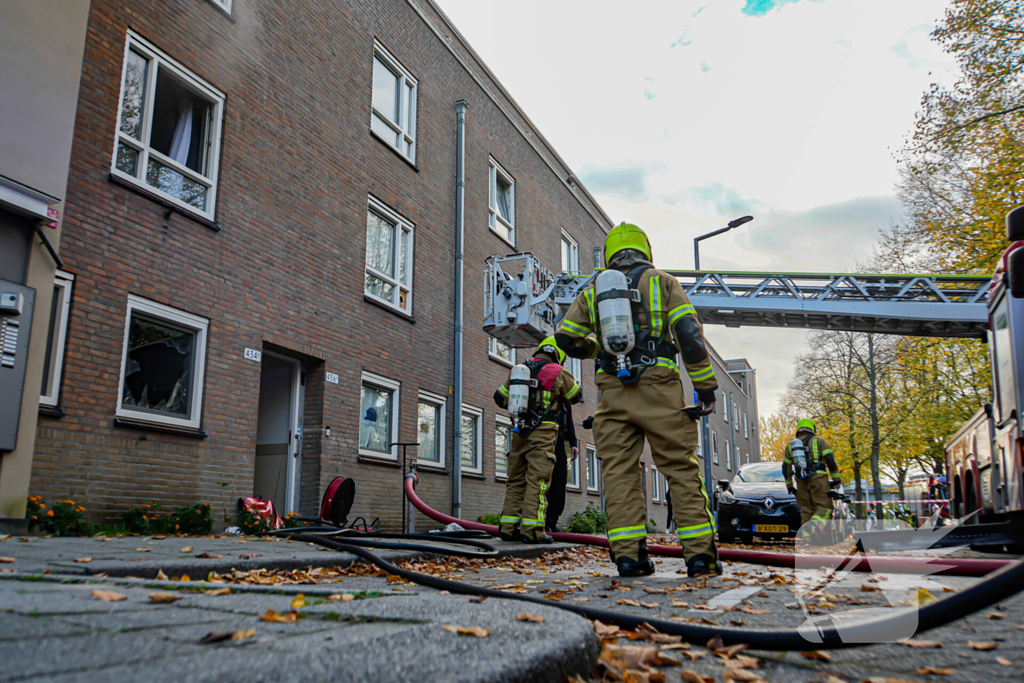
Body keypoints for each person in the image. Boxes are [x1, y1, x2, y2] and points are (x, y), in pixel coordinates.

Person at [555, 222, 721, 577]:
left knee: (618, 473)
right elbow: (690, 337)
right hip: (660, 388)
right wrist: (705, 389)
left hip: (613, 395)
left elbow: (566, 339)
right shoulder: (664, 282)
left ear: (611, 252)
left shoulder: (592, 292)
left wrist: (597, 348)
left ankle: (630, 558)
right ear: (645, 250)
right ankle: (701, 558)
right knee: (679, 468)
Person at [494, 337, 582, 544]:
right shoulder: (557, 371)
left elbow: (499, 398)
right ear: (558, 355)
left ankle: (508, 528)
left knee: (516, 480)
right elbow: (575, 396)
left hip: (519, 432)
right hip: (542, 433)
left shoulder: (519, 370)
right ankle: (532, 531)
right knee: (538, 481)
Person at [781, 418, 840, 539]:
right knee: (825, 507)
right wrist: (836, 480)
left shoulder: (791, 446)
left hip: (800, 482)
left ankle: (807, 540)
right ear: (812, 428)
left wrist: (790, 486)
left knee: (806, 509)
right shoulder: (819, 441)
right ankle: (813, 526)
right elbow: (830, 459)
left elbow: (785, 467)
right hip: (818, 479)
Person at [545, 404, 579, 532]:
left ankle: (553, 520)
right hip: (542, 442)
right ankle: (545, 521)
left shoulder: (564, 400)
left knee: (560, 483)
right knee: (544, 480)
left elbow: (569, 421)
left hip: (559, 444)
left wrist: (573, 443)